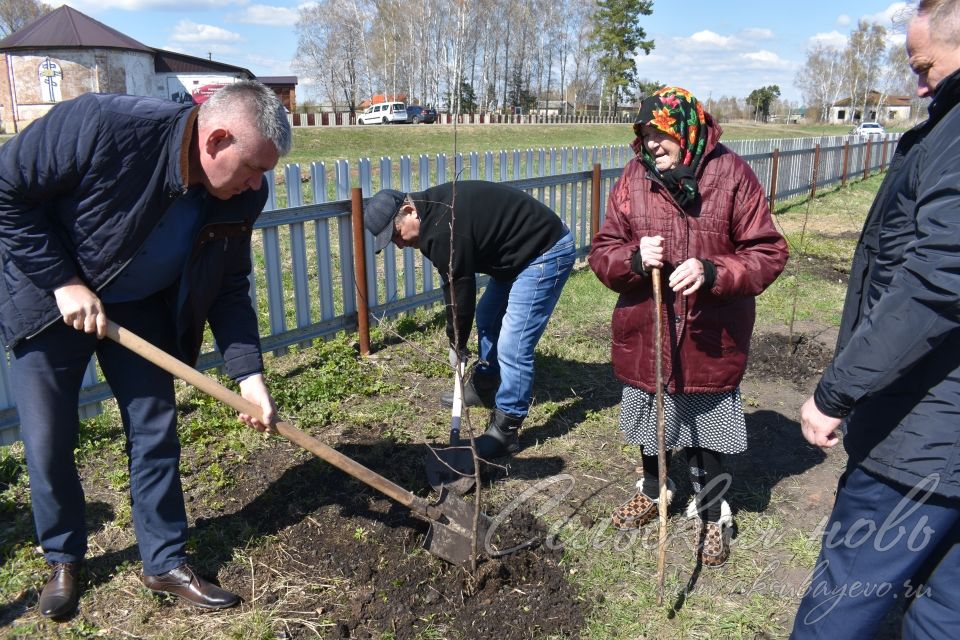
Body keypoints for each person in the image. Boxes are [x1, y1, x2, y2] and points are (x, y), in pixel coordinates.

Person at [0, 81, 291, 618]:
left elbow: (229, 285)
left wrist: (249, 375)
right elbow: (5, 188)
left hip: (136, 308)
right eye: (252, 167)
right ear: (217, 139)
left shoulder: (245, 193)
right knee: (48, 439)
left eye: (263, 173)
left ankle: (164, 561)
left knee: (154, 426)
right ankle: (63, 558)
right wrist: (63, 281)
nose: (258, 184)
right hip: (50, 298)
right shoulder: (104, 125)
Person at [792, 2, 960, 637]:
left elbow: (940, 280)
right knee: (944, 611)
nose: (917, 86)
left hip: (924, 434)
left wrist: (838, 390)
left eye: (925, 67)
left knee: (847, 600)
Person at [588, 87, 787, 566]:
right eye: (645, 134)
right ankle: (655, 490)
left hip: (709, 333)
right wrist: (633, 259)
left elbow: (768, 252)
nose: (652, 144)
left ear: (686, 130)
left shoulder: (732, 173)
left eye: (661, 133)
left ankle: (714, 512)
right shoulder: (634, 178)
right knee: (648, 422)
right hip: (648, 328)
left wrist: (713, 272)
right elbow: (603, 252)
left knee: (707, 432)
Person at [363, 180, 575, 458]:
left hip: (544, 250)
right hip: (513, 254)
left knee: (514, 342)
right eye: (393, 241)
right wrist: (457, 339)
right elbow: (455, 285)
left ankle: (506, 428)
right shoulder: (433, 215)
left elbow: (460, 288)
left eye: (397, 234)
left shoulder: (442, 228)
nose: (400, 245)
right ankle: (486, 382)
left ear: (409, 210)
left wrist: (457, 342)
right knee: (488, 316)